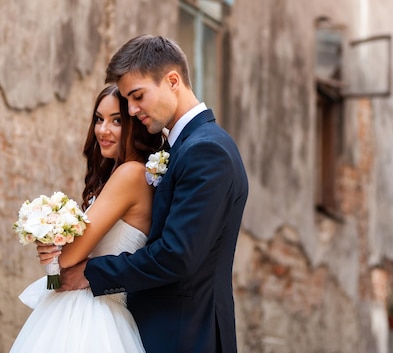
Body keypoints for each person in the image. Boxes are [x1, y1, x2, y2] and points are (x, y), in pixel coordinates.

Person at [40, 34, 249, 353]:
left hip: (185, 335)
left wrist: (92, 274)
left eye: (138, 96)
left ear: (173, 80)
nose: (133, 109)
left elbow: (177, 255)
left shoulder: (206, 151)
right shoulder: (182, 148)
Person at [9, 84, 164, 353]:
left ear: (134, 124)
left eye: (116, 121)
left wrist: (52, 242)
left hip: (93, 315)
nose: (103, 130)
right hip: (81, 305)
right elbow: (58, 277)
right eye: (98, 119)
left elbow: (68, 259)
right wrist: (52, 256)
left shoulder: (130, 174)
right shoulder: (118, 176)